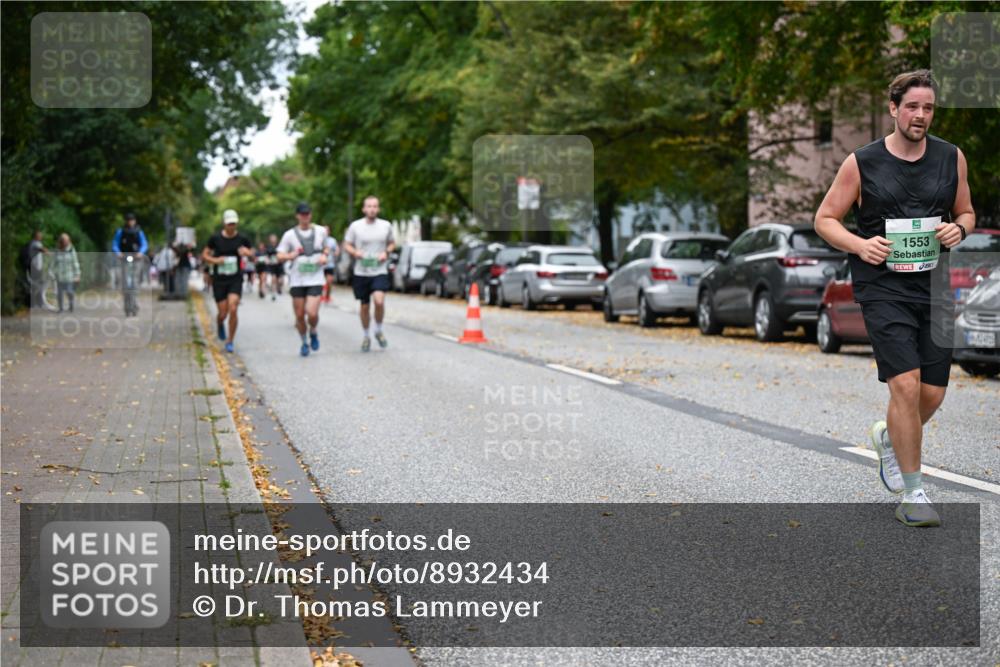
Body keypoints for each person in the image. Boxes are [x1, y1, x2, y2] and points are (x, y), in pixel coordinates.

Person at [814, 70, 975, 528]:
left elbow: (966, 211)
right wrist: (859, 245)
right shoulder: (862, 162)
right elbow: (825, 219)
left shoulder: (951, 157)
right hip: (883, 287)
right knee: (904, 385)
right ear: (893, 109)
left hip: (934, 286)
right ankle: (913, 492)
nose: (920, 115)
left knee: (932, 393)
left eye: (928, 108)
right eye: (912, 107)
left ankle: (890, 436)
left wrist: (959, 229)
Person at [276, 203, 330, 357]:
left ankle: (313, 331)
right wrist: (290, 255)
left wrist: (324, 255)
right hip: (297, 280)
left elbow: (327, 247)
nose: (305, 217)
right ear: (297, 216)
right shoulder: (289, 235)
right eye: (302, 214)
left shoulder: (320, 231)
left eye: (307, 214)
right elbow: (279, 255)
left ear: (311, 215)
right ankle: (304, 342)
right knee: (299, 315)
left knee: (311, 313)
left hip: (315, 279)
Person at [344, 196, 395, 352]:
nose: (372, 209)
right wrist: (355, 252)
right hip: (361, 271)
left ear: (378, 209)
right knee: (364, 306)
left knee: (379, 301)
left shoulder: (386, 226)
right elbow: (347, 244)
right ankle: (366, 335)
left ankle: (378, 329)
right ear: (364, 209)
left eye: (375, 206)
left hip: (379, 270)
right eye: (369, 206)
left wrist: (386, 252)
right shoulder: (355, 226)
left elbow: (392, 243)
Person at [202, 209, 255, 353]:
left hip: (235, 278)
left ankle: (230, 340)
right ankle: (220, 322)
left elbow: (253, 255)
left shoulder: (242, 239)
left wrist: (248, 253)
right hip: (219, 279)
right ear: (224, 224)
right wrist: (215, 260)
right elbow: (204, 255)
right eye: (229, 223)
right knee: (223, 313)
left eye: (233, 223)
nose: (231, 226)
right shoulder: (215, 238)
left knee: (233, 308)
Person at [112, 213, 149, 317]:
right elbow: (115, 244)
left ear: (134, 221)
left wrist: (141, 252)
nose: (130, 222)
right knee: (125, 283)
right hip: (125, 258)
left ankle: (134, 305)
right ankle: (127, 307)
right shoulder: (121, 232)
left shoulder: (139, 232)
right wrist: (118, 253)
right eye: (128, 220)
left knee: (134, 282)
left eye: (132, 220)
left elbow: (144, 244)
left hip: (136, 259)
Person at [52, 233, 81, 313]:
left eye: (67, 240)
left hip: (69, 275)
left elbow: (75, 263)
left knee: (69, 292)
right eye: (64, 240)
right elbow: (53, 262)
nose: (66, 242)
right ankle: (60, 308)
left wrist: (77, 275)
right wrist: (52, 272)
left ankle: (71, 304)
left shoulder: (71, 250)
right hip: (59, 275)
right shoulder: (57, 250)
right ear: (61, 241)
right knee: (60, 293)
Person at [321, 227, 340, 303]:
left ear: (329, 232)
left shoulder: (332, 240)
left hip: (330, 264)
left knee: (329, 281)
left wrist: (336, 252)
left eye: (327, 230)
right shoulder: (318, 239)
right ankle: (320, 295)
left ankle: (327, 296)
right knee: (320, 282)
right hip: (320, 265)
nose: (325, 232)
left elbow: (337, 249)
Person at [267, 233, 284, 299]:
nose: (273, 239)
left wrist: (282, 259)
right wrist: (267, 260)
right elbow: (267, 255)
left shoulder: (280, 246)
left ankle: (279, 287)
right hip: (272, 265)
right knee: (273, 279)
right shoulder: (268, 246)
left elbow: (283, 253)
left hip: (279, 265)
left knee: (280, 280)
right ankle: (273, 293)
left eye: (274, 238)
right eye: (272, 238)